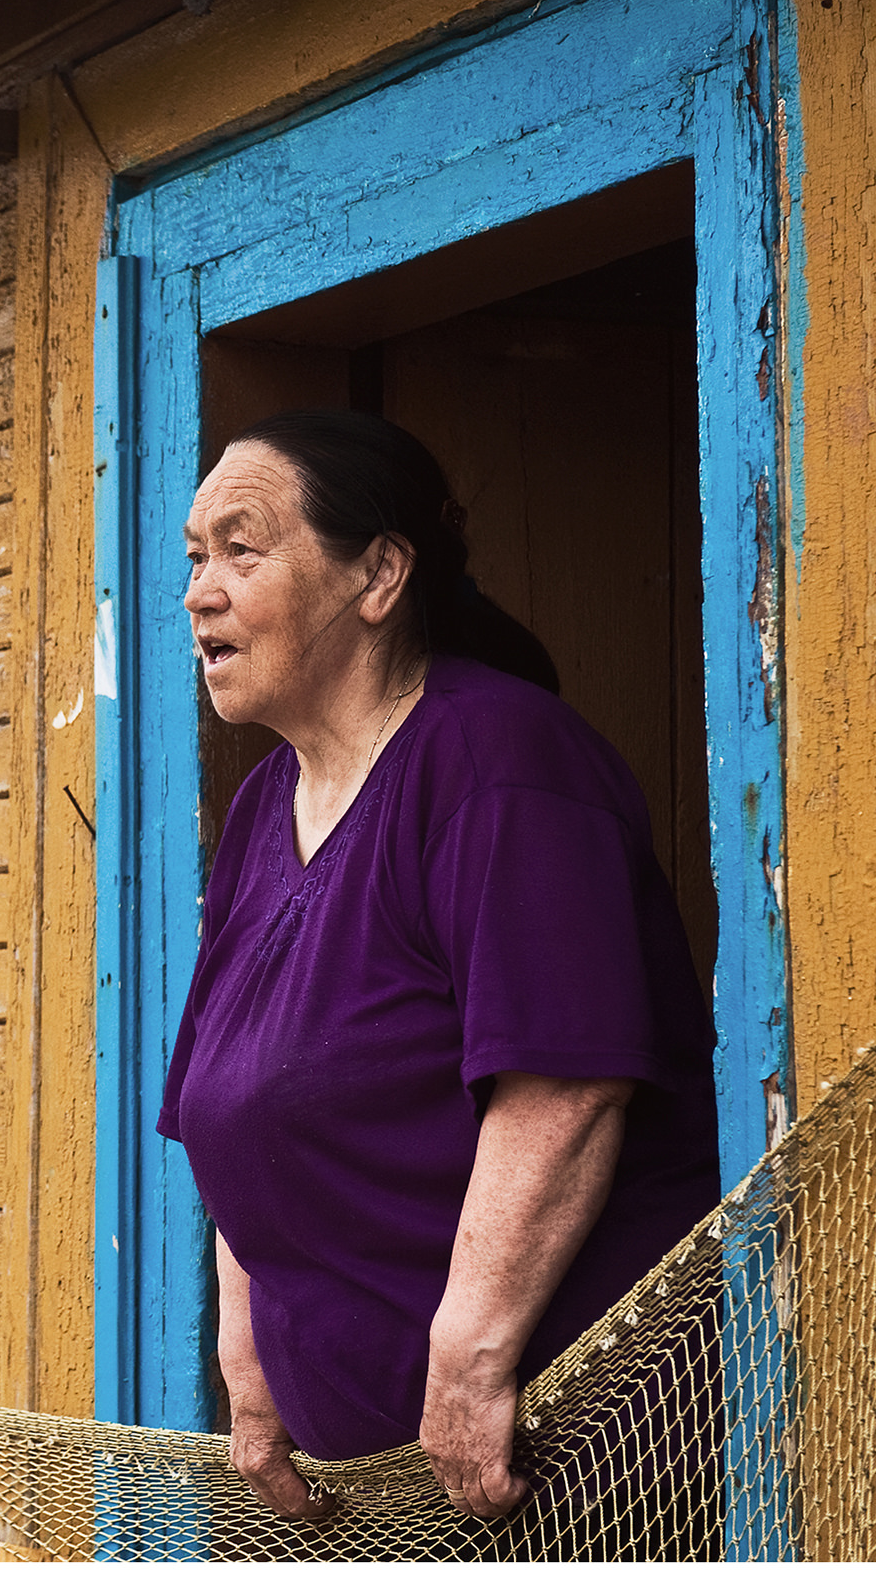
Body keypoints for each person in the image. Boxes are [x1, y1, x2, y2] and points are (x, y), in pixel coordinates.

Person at [152, 409, 720, 1523]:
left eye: (241, 547)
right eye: (192, 555)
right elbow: (234, 1110)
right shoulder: (269, 801)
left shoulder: (498, 761)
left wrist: (466, 1362)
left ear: (378, 574)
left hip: (551, 1469)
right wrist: (251, 1362)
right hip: (372, 1491)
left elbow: (564, 1081)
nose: (198, 591)